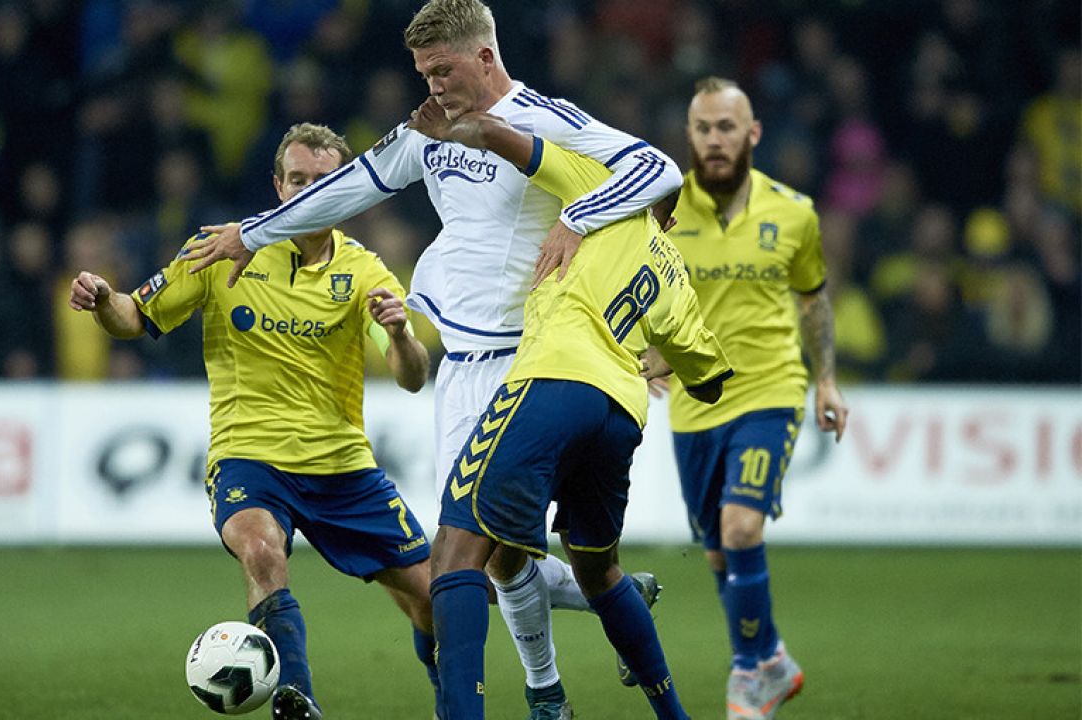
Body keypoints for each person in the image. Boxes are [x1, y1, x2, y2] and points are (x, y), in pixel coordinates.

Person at [185, 2, 681, 715]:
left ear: (484, 58)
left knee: (465, 554)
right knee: (498, 554)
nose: (433, 86)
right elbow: (353, 184)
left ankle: (543, 693)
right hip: (463, 367)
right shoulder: (432, 129)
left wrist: (578, 217)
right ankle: (578, 645)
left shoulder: (542, 118)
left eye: (443, 70)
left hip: (534, 360)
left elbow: (656, 168)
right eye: (423, 72)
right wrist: (258, 233)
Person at [68, 123, 437, 720]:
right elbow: (136, 316)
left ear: (347, 189)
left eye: (327, 182)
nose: (310, 192)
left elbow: (411, 375)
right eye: (298, 180)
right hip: (250, 457)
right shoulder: (220, 251)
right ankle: (298, 701)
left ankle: (450, 700)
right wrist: (104, 298)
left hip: (342, 466)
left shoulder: (367, 272)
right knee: (263, 551)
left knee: (434, 605)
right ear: (277, 185)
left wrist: (398, 332)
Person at [407, 100, 732, 720]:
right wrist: (664, 360)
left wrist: (456, 129)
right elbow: (711, 379)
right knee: (599, 571)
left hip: (553, 380)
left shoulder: (592, 187)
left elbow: (514, 142)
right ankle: (674, 714)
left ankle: (475, 709)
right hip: (620, 413)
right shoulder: (673, 272)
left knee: (455, 547)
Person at [647, 76, 850, 720]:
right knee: (716, 549)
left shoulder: (795, 212)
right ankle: (771, 659)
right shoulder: (661, 206)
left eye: (727, 127)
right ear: (689, 135)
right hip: (692, 397)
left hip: (768, 386)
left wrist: (825, 379)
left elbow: (814, 299)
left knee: (740, 528)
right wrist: (644, 348)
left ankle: (747, 672)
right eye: (703, 128)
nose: (715, 139)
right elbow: (640, 286)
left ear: (752, 133)